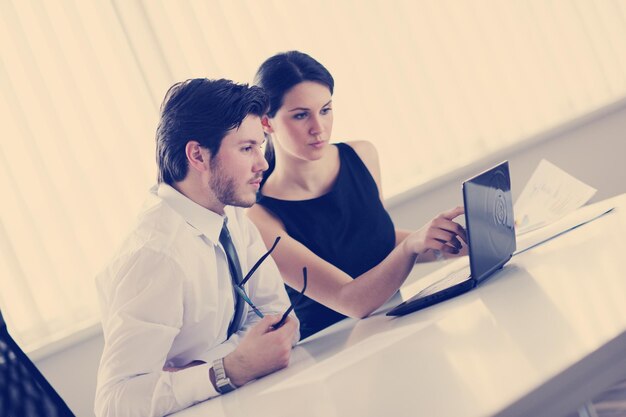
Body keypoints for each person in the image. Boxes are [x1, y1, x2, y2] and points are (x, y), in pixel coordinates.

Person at [95, 78, 299, 417]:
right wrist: (229, 369)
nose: (262, 163)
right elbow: (113, 404)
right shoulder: (156, 255)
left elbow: (278, 324)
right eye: (247, 148)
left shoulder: (232, 214)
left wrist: (203, 368)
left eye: (260, 147)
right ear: (198, 156)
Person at [247, 51, 467, 339]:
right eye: (301, 115)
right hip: (334, 354)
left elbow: (376, 241)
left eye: (325, 110)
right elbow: (350, 300)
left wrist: (454, 243)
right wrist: (412, 244)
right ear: (266, 123)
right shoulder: (259, 218)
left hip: (396, 325)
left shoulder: (362, 155)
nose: (319, 128)